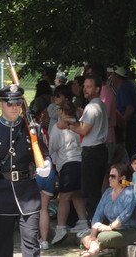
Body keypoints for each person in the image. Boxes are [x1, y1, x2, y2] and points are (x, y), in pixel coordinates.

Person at [0, 84, 51, 257]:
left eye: (18, 103)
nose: (14, 107)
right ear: (1, 104)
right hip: (0, 193)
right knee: (1, 245)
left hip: (27, 193)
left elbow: (45, 155)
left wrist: (47, 166)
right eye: (10, 103)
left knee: (31, 242)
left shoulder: (32, 128)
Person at [58, 75, 109, 220]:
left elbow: (84, 130)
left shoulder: (92, 107)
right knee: (93, 189)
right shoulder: (98, 105)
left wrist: (66, 125)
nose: (85, 89)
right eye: (84, 86)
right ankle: (97, 221)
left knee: (89, 191)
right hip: (98, 150)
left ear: (97, 89)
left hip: (92, 152)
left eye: (89, 87)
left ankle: (95, 223)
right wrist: (79, 118)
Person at [49, 99, 88, 246]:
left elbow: (52, 147)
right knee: (76, 194)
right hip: (80, 162)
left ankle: (60, 228)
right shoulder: (78, 125)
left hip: (68, 164)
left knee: (64, 197)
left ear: (61, 112)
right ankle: (83, 221)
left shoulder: (58, 127)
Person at [80, 163, 136, 256]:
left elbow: (125, 215)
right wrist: (92, 235)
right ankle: (96, 247)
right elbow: (98, 214)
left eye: (113, 176)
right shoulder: (107, 192)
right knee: (84, 234)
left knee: (103, 237)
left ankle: (95, 249)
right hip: (112, 230)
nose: (110, 178)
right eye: (109, 176)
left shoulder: (130, 192)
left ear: (122, 178)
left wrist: (110, 227)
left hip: (128, 230)